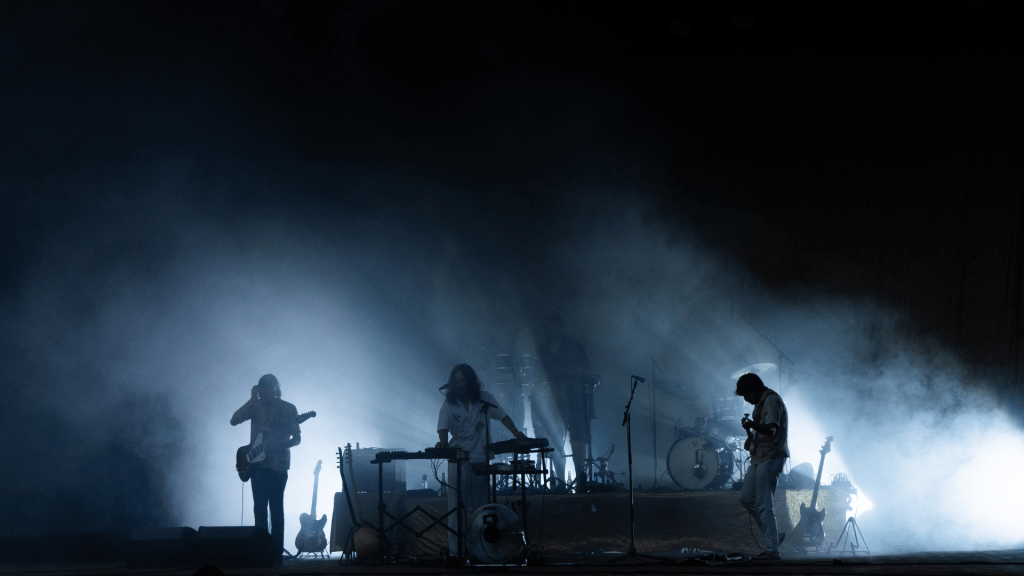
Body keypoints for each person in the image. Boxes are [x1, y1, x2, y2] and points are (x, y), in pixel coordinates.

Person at [436, 364, 526, 555]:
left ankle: (484, 552)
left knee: (482, 508)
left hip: (480, 459)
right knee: (456, 509)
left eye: (463, 380)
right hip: (458, 460)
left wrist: (516, 432)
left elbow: (503, 416)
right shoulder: (449, 404)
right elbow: (442, 427)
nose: (460, 385)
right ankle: (456, 553)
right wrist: (443, 441)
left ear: (471, 381)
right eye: (457, 381)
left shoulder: (485, 399)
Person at [231, 374, 302, 564]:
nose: (265, 394)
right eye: (261, 390)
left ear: (275, 389)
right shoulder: (255, 406)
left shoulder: (288, 408)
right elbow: (234, 420)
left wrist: (280, 446)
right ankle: (261, 552)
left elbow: (297, 438)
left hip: (278, 466)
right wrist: (251, 400)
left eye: (267, 390)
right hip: (257, 465)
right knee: (259, 509)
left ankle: (276, 553)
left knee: (276, 509)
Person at [534, 313, 592, 492]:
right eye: (547, 328)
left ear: (561, 328)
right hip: (550, 400)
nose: (549, 331)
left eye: (552, 327)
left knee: (577, 440)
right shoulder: (541, 350)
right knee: (553, 440)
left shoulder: (574, 347)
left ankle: (581, 480)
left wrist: (564, 370)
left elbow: (586, 370)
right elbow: (535, 375)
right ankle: (559, 481)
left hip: (574, 397)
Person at [737, 373, 790, 560]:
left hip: (771, 456)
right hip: (760, 456)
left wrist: (753, 425)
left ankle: (772, 550)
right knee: (746, 498)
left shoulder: (771, 401)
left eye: (745, 394)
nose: (745, 399)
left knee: (763, 503)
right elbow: (760, 434)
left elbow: (772, 429)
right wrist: (749, 431)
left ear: (753, 390)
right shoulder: (760, 405)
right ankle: (774, 537)